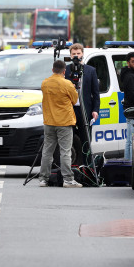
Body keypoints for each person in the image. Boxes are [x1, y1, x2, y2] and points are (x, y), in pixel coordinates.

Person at [38, 60, 82, 188]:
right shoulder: (67, 84)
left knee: (47, 151)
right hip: (64, 122)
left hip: (49, 121)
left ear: (52, 70)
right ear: (64, 71)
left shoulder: (45, 83)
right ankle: (68, 179)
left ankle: (43, 179)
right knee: (65, 151)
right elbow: (75, 100)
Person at [65, 43, 100, 159]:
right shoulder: (65, 71)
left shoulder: (90, 70)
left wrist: (95, 110)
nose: (76, 56)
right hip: (70, 111)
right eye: (73, 54)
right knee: (68, 139)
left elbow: (95, 93)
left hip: (85, 110)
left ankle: (87, 167)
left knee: (86, 140)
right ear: (70, 55)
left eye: (78, 53)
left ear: (82, 54)